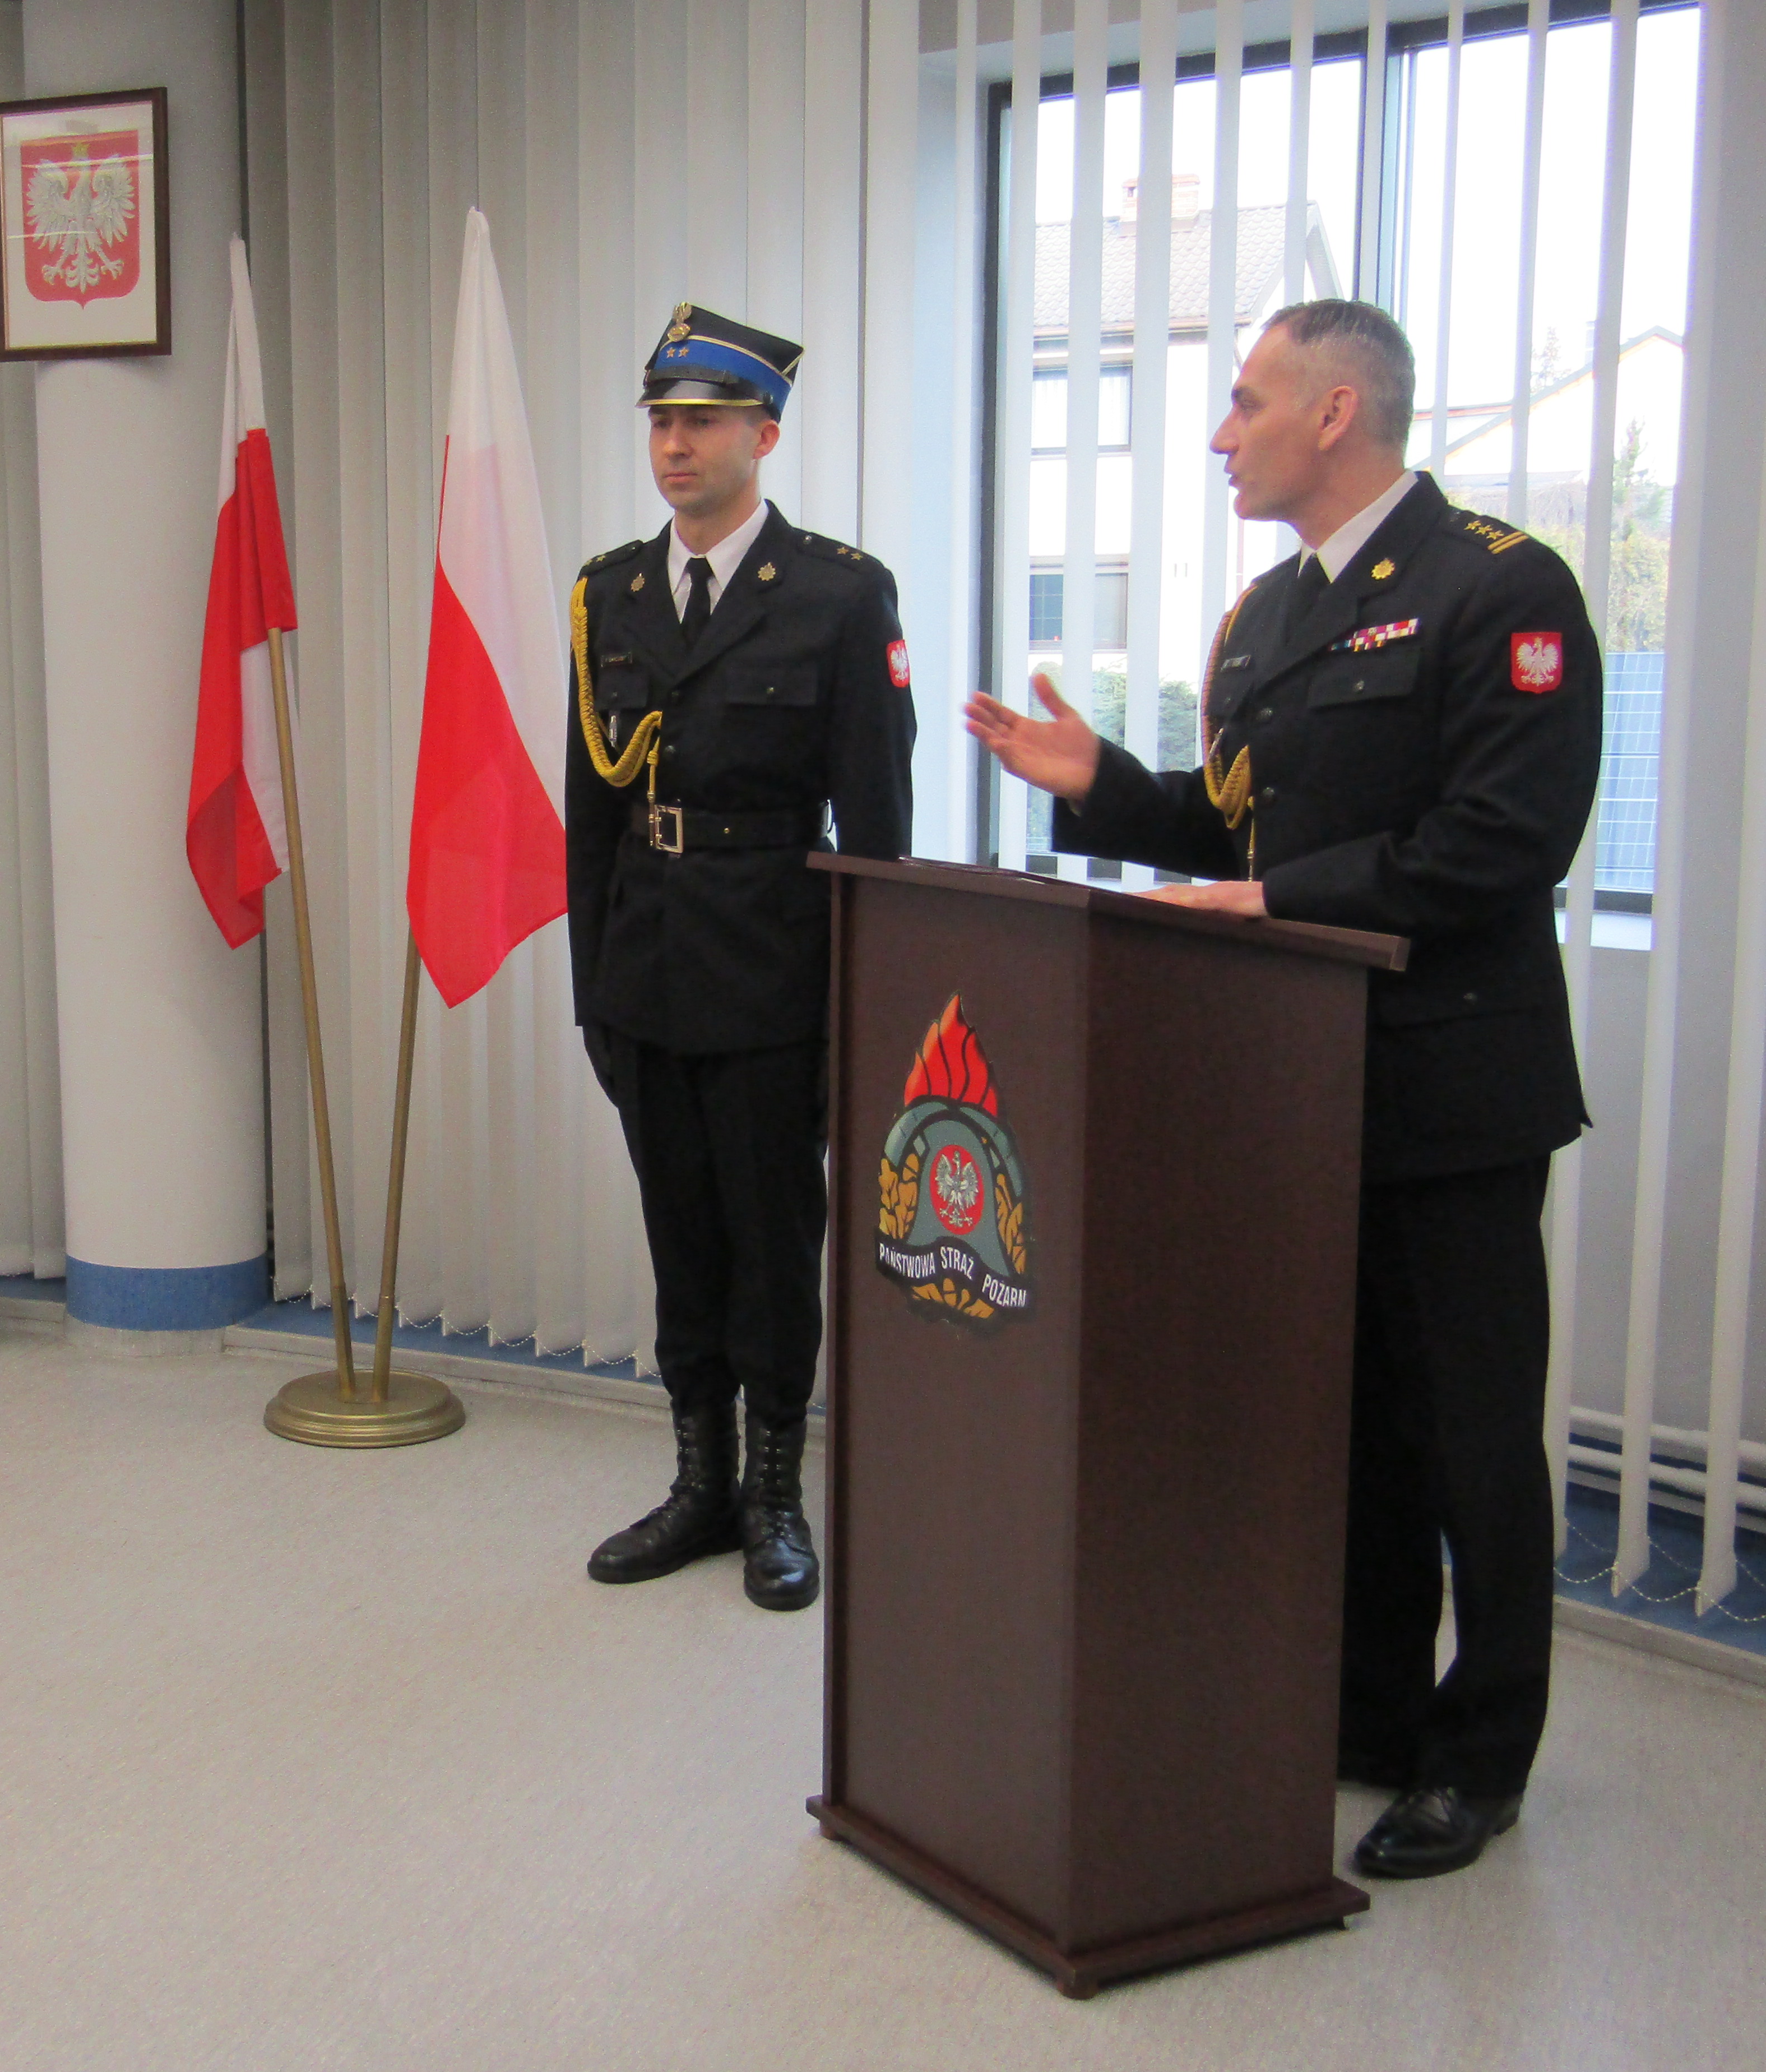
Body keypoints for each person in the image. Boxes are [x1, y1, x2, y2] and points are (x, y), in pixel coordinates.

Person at [966, 299, 1602, 1878]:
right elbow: (1235, 829)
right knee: (1350, 1423)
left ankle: (1482, 1757)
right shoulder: (1265, 616)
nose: (1218, 433)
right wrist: (1106, 788)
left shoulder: (1499, 586)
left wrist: (1274, 899)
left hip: (1451, 1089)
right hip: (1295, 1087)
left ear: (1335, 412)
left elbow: (1503, 841)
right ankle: (1368, 1712)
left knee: (1468, 1436)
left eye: (1245, 401)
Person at [569, 306, 917, 1611]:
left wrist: (859, 1013)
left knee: (772, 1247)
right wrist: (592, 994)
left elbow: (876, 824)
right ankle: (698, 1484)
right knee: (680, 1242)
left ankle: (774, 1495)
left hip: (775, 976)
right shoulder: (609, 592)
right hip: (646, 974)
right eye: (660, 421)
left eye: (701, 422)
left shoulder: (836, 594)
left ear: (761, 437)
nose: (674, 445)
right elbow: (588, 813)